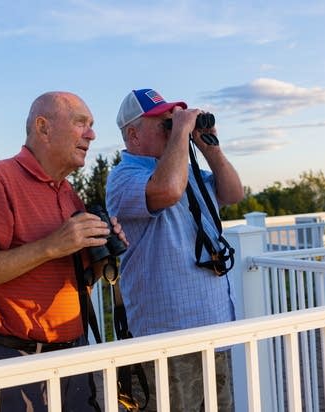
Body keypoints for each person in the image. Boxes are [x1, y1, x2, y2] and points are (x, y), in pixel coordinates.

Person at [0, 91, 127, 412]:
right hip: (13, 363)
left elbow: (80, 283)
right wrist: (49, 246)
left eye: (92, 125)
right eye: (80, 123)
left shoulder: (68, 192)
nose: (92, 134)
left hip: (71, 358)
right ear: (43, 128)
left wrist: (102, 251)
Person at [106, 88, 245, 411]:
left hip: (214, 329)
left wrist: (210, 146)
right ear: (133, 134)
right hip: (167, 340)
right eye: (164, 123)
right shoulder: (124, 176)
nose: (172, 127)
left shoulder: (187, 171)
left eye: (173, 120)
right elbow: (167, 189)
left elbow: (234, 192)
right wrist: (182, 131)